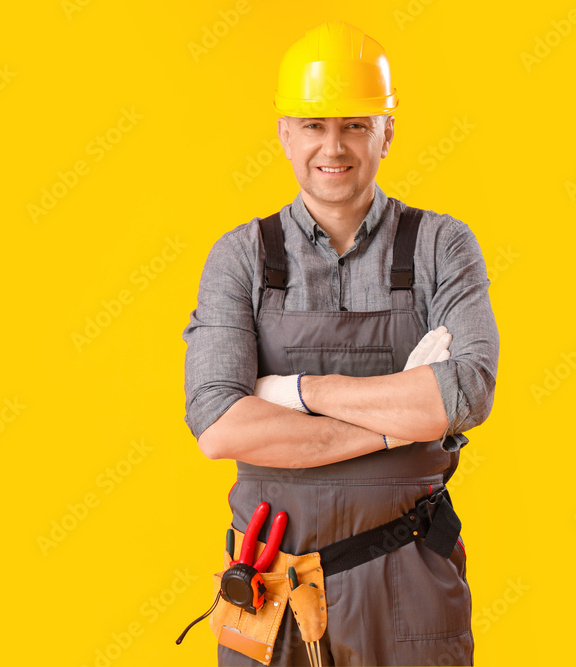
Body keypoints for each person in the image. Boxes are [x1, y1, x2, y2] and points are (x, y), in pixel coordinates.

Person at [183, 20, 499, 667]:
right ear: (284, 132)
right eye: (314, 125)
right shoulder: (240, 258)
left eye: (355, 124)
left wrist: (297, 392)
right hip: (270, 586)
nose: (335, 146)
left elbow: (466, 392)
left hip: (409, 582)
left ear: (387, 130)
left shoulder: (442, 246)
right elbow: (217, 424)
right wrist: (396, 425)